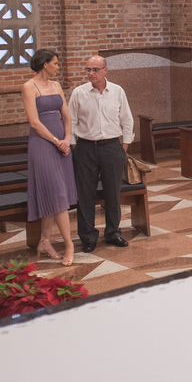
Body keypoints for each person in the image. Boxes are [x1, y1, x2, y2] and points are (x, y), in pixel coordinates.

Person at [68, 55, 135, 253]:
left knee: (113, 193)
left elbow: (127, 119)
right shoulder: (79, 93)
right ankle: (88, 237)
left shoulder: (117, 91)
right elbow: (70, 122)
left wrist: (124, 146)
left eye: (95, 70)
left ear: (105, 70)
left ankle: (113, 233)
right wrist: (74, 146)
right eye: (88, 69)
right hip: (86, 148)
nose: (91, 73)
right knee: (85, 195)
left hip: (112, 147)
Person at [22, 50, 78, 266]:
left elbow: (66, 115)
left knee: (54, 195)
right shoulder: (29, 87)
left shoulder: (55, 86)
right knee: (58, 194)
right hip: (43, 145)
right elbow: (34, 122)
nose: (57, 67)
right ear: (44, 64)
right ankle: (69, 243)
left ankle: (44, 240)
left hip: (61, 144)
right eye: (55, 63)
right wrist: (57, 141)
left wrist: (66, 138)